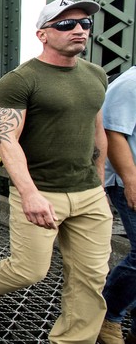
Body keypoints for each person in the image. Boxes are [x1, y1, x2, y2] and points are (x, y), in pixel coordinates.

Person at [0, 0, 112, 344]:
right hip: (40, 190)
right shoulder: (20, 80)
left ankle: (71, 340)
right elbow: (8, 140)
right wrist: (30, 193)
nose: (78, 29)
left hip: (88, 193)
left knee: (90, 279)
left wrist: (100, 178)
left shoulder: (96, 75)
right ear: (43, 34)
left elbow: (97, 130)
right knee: (30, 270)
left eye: (84, 24)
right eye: (66, 24)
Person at [98, 65, 136, 344]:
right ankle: (108, 316)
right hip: (128, 183)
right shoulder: (131, 83)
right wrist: (131, 181)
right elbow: (112, 132)